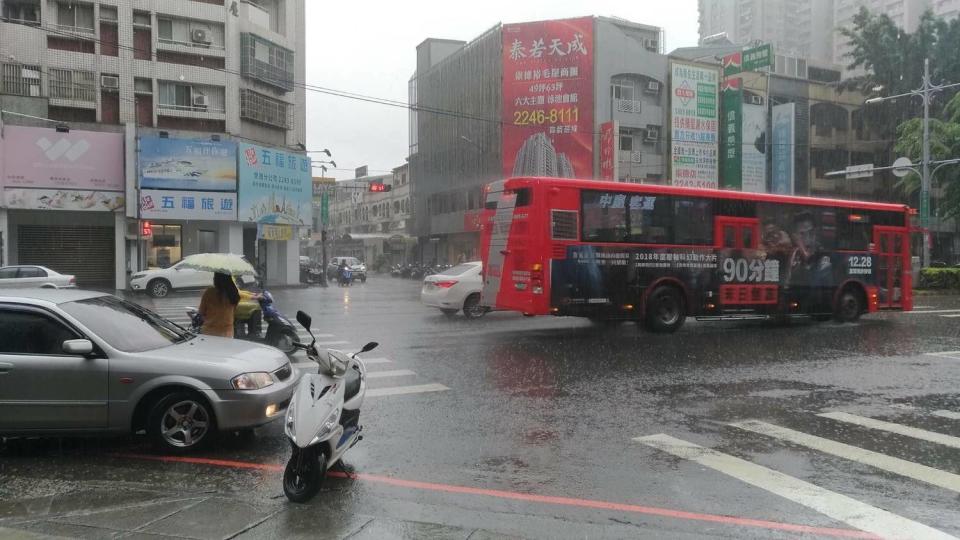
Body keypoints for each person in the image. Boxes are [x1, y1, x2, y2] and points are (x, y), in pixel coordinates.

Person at [198, 272, 241, 337]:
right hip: (227, 332)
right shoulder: (233, 292)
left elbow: (201, 311)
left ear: (216, 279)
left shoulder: (209, 292)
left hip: (209, 331)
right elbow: (234, 311)